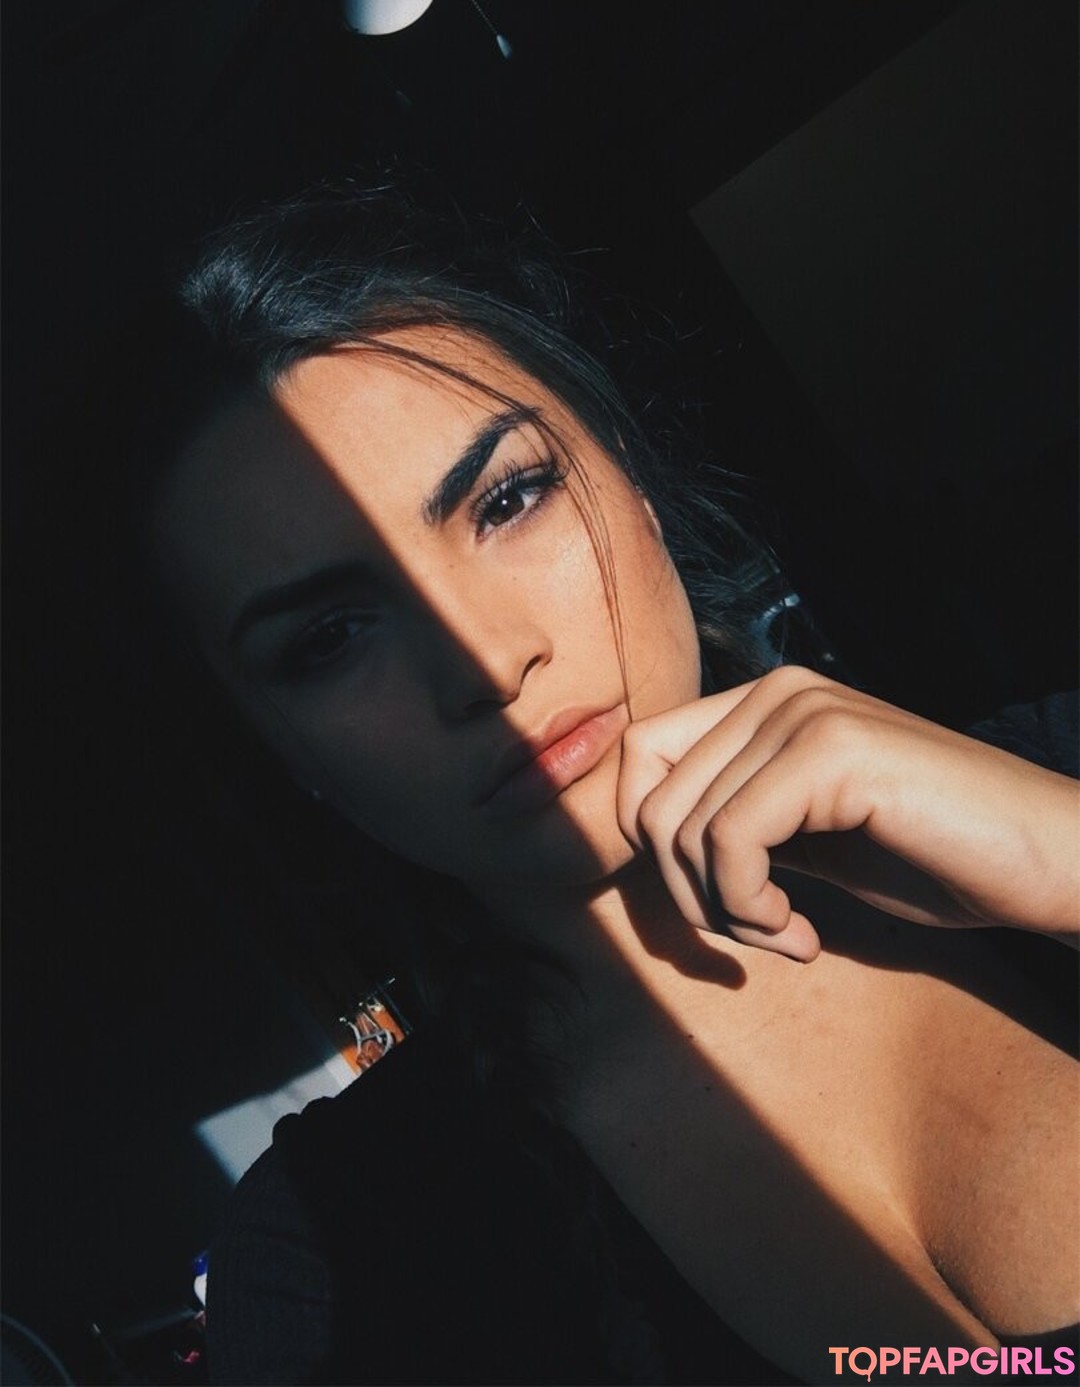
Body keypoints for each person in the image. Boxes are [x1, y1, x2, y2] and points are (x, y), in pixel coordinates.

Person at [126, 180, 1078, 1385]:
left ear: (630, 476)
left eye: (507, 499)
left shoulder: (1051, 783)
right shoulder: (330, 1257)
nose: (486, 661)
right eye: (330, 637)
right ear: (280, 747)